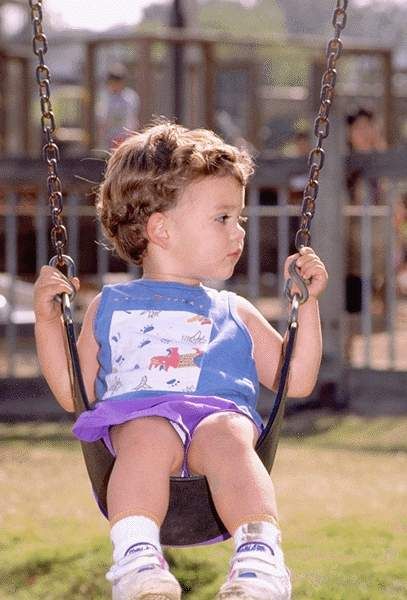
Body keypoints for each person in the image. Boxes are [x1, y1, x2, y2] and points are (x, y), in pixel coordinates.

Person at [33, 121, 328, 600]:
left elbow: (295, 379)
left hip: (217, 429)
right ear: (161, 229)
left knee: (228, 432)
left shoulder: (235, 309)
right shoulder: (111, 306)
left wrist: (307, 305)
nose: (239, 231)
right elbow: (73, 391)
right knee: (148, 432)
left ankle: (259, 559)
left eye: (239, 218)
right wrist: (49, 324)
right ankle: (137, 559)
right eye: (223, 218)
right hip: (142, 431)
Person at [97, 64, 140, 150]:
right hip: (110, 139)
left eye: (118, 82)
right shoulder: (105, 98)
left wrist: (133, 136)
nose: (115, 85)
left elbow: (133, 119)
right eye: (113, 82)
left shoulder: (130, 97)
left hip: (126, 138)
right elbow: (102, 120)